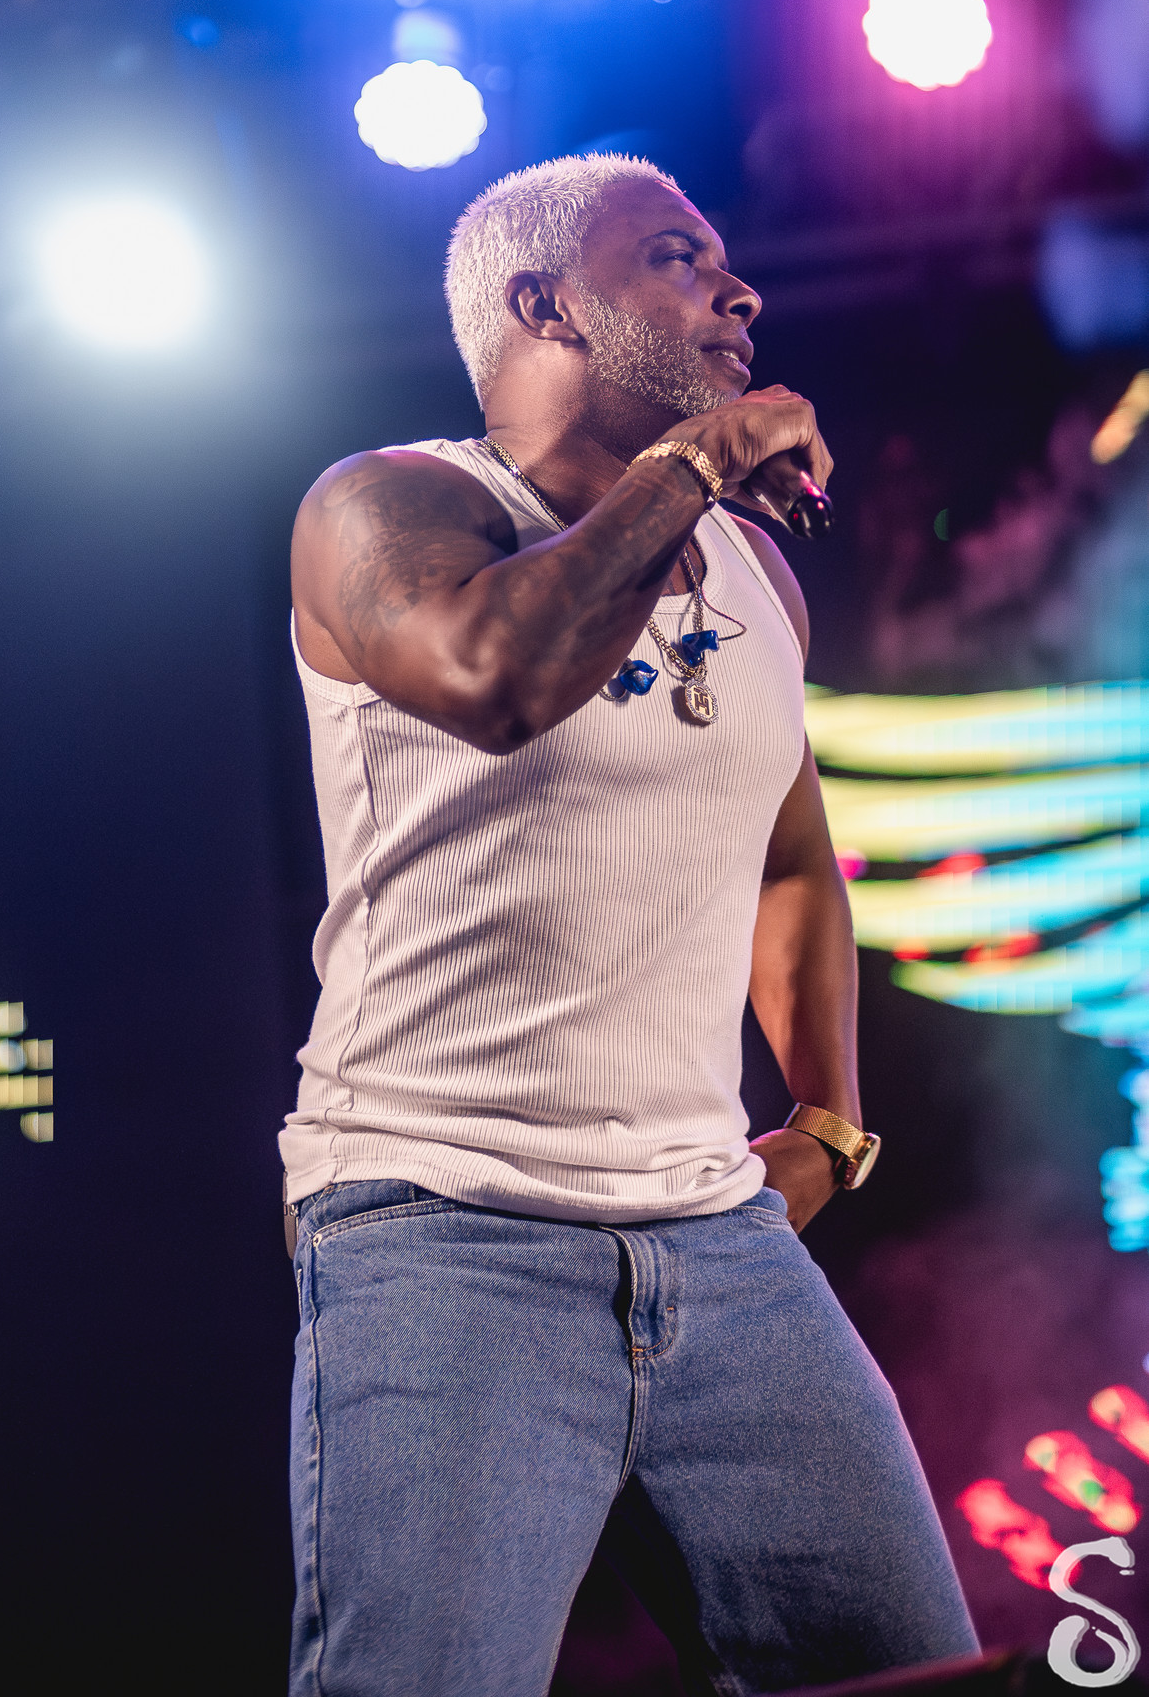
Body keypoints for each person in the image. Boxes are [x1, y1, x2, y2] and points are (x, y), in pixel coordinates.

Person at [281, 152, 978, 1697]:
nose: (738, 292)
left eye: (723, 262)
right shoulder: (386, 507)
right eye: (675, 258)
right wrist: (693, 461)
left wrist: (827, 1124)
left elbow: (790, 859)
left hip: (717, 1242)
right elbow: (494, 680)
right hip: (444, 1228)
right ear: (545, 307)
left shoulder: (752, 571)